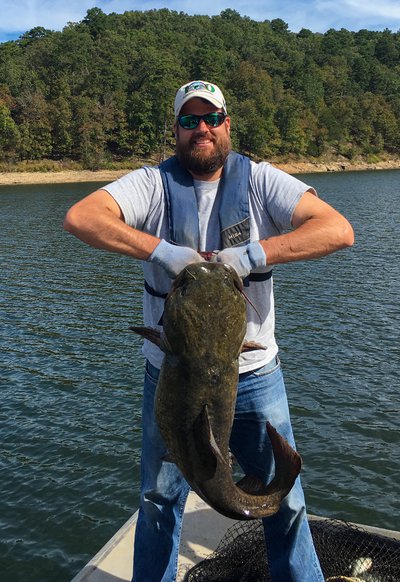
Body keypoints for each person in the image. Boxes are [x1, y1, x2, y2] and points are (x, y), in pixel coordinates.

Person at [64, 80, 354, 582]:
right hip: (172, 374)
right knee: (158, 499)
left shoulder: (261, 181)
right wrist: (160, 250)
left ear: (227, 125)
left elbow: (337, 230)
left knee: (286, 504)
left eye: (210, 118)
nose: (201, 128)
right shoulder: (152, 185)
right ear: (175, 130)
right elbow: (80, 217)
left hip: (254, 375)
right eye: (188, 120)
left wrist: (256, 253)